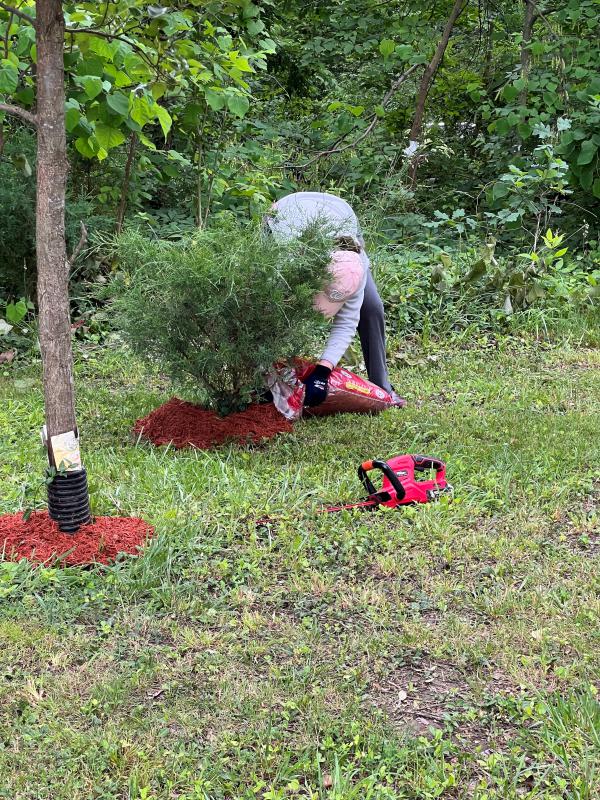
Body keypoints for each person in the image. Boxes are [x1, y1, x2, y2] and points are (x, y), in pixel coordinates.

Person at [266, 191, 403, 407]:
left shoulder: (355, 268)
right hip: (284, 216)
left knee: (372, 307)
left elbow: (347, 322)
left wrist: (322, 372)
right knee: (272, 303)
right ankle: (265, 381)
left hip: (341, 214)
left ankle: (383, 388)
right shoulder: (287, 260)